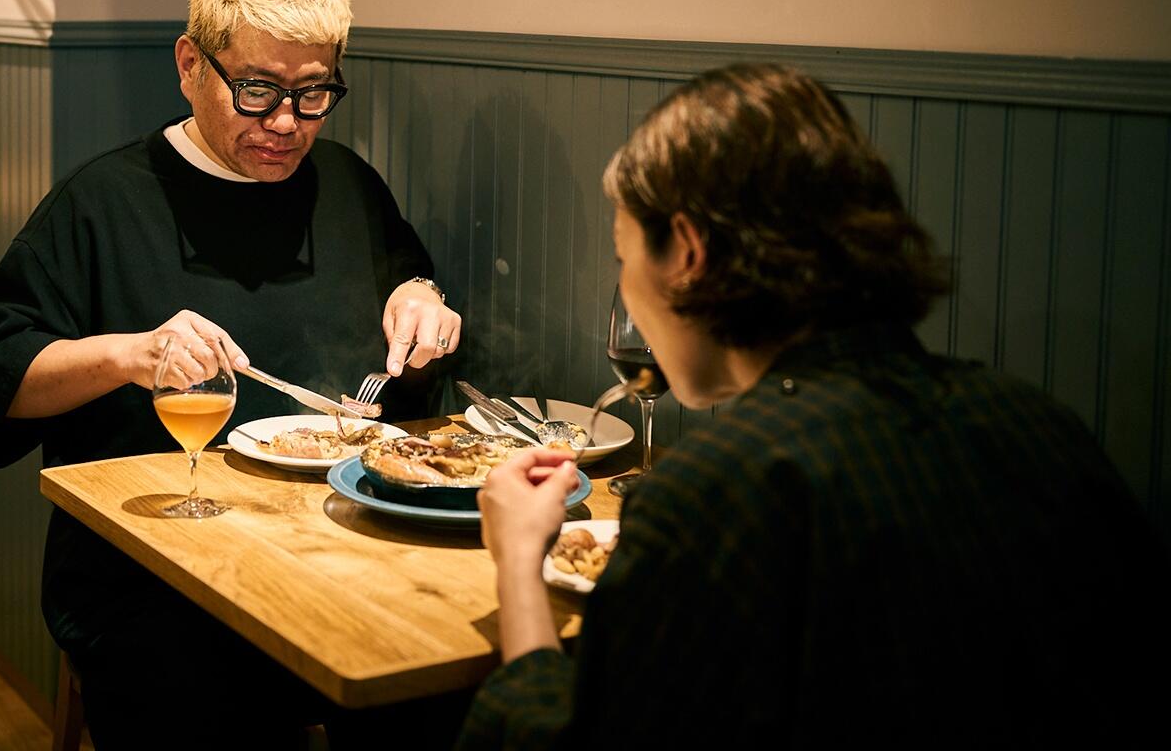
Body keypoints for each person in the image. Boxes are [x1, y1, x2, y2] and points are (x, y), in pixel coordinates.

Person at [462, 63, 1167, 747]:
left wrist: (519, 563)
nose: (627, 284)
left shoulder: (719, 493)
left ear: (686, 251)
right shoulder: (1039, 426)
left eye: (624, 255)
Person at [0, 0, 463, 748]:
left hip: (333, 541)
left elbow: (408, 278)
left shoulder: (347, 186)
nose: (287, 123)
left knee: (440, 677)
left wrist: (421, 297)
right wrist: (130, 355)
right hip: (156, 572)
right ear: (191, 65)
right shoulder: (104, 202)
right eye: (257, 90)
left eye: (314, 93)